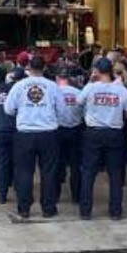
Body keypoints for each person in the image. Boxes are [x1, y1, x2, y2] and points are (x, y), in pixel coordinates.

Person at [4, 55, 67, 219]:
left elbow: (8, 109)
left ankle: (24, 208)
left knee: (24, 172)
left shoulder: (19, 86)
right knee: (49, 171)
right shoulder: (52, 86)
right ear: (44, 68)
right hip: (48, 133)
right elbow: (62, 110)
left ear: (29, 68)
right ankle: (48, 208)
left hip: (25, 133)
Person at [78, 58, 127, 220]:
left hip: (93, 133)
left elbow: (78, 102)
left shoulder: (90, 87)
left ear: (96, 71)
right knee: (115, 174)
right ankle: (115, 211)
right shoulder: (121, 90)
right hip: (114, 133)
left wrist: (90, 82)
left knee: (88, 172)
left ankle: (85, 210)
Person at [0, 67, 24, 204]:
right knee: (19, 162)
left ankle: (2, 193)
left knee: (2, 161)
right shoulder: (22, 90)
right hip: (17, 129)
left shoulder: (1, 90)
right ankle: (20, 190)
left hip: (0, 129)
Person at [55, 68, 83, 204]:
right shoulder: (78, 93)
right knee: (75, 165)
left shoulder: (54, 93)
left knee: (57, 164)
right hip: (76, 130)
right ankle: (76, 196)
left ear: (57, 78)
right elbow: (84, 113)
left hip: (58, 130)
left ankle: (55, 195)